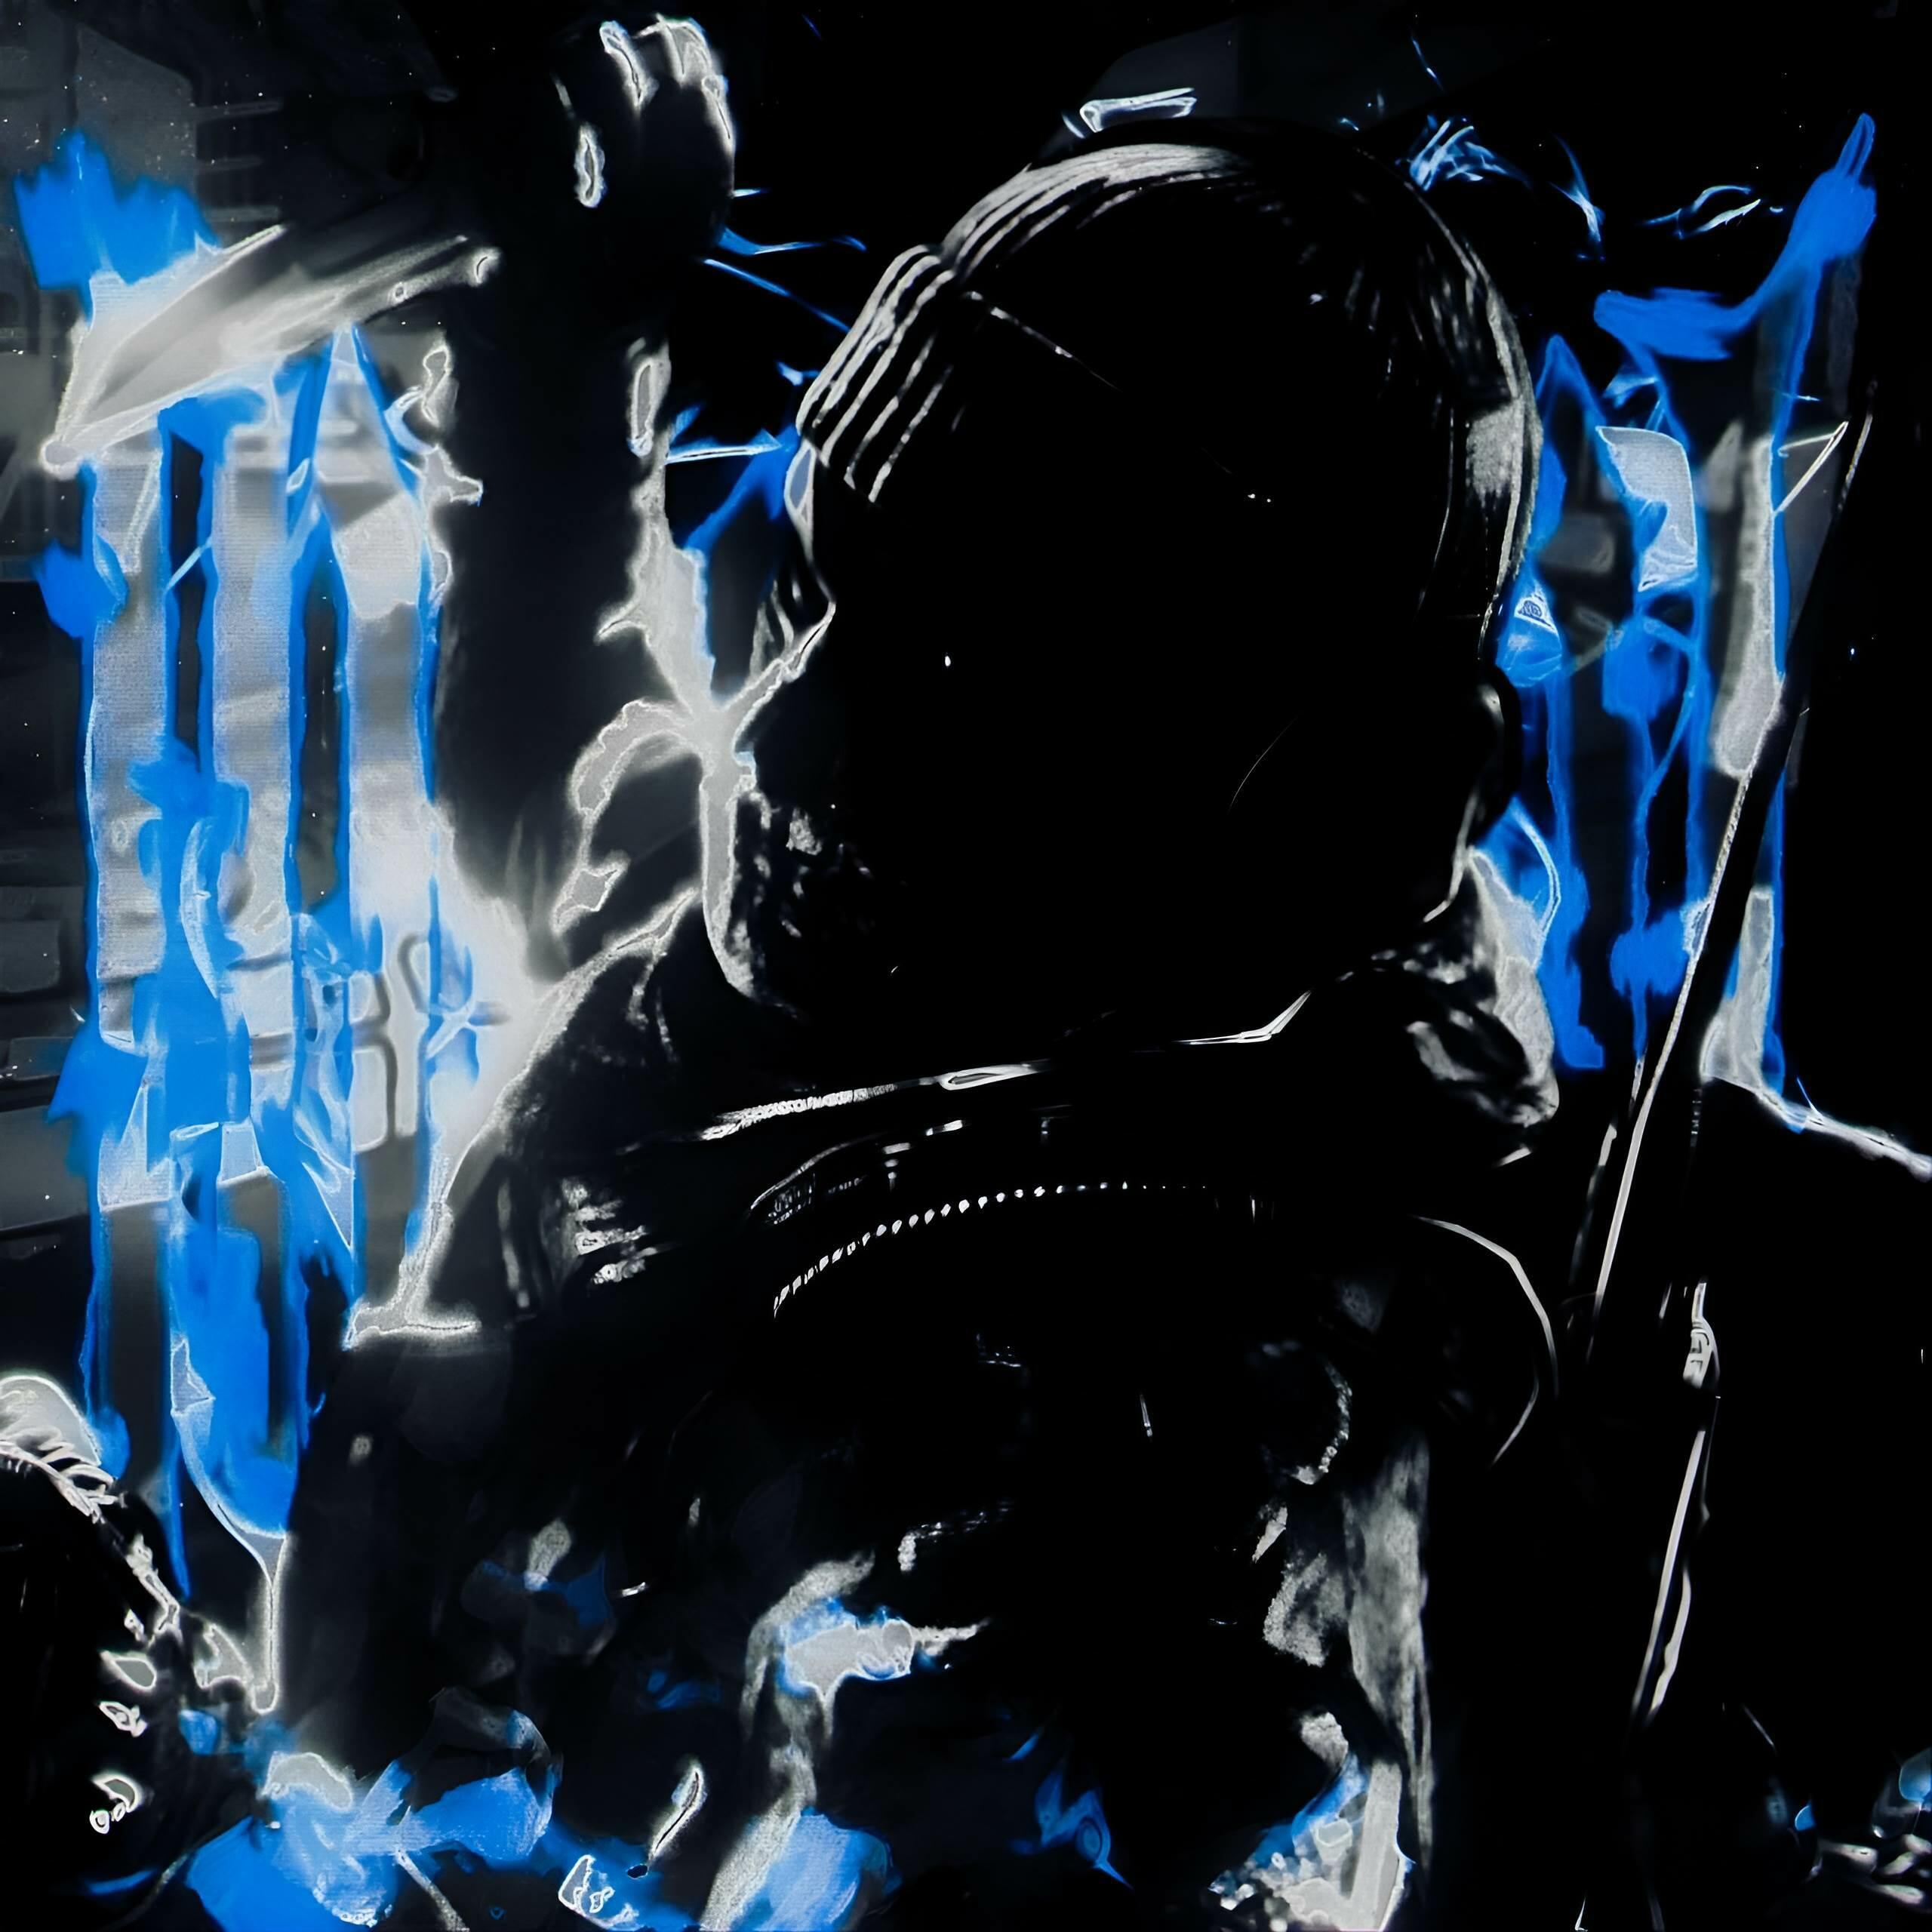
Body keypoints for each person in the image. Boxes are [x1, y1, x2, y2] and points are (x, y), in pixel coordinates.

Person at [15, 121, 1561, 1927]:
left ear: (1314, 814)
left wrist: (197, 1831)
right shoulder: (886, 975)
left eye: (967, 683)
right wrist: (572, 357)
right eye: (822, 582)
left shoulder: (1224, 1467)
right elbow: (579, 807)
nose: (784, 739)